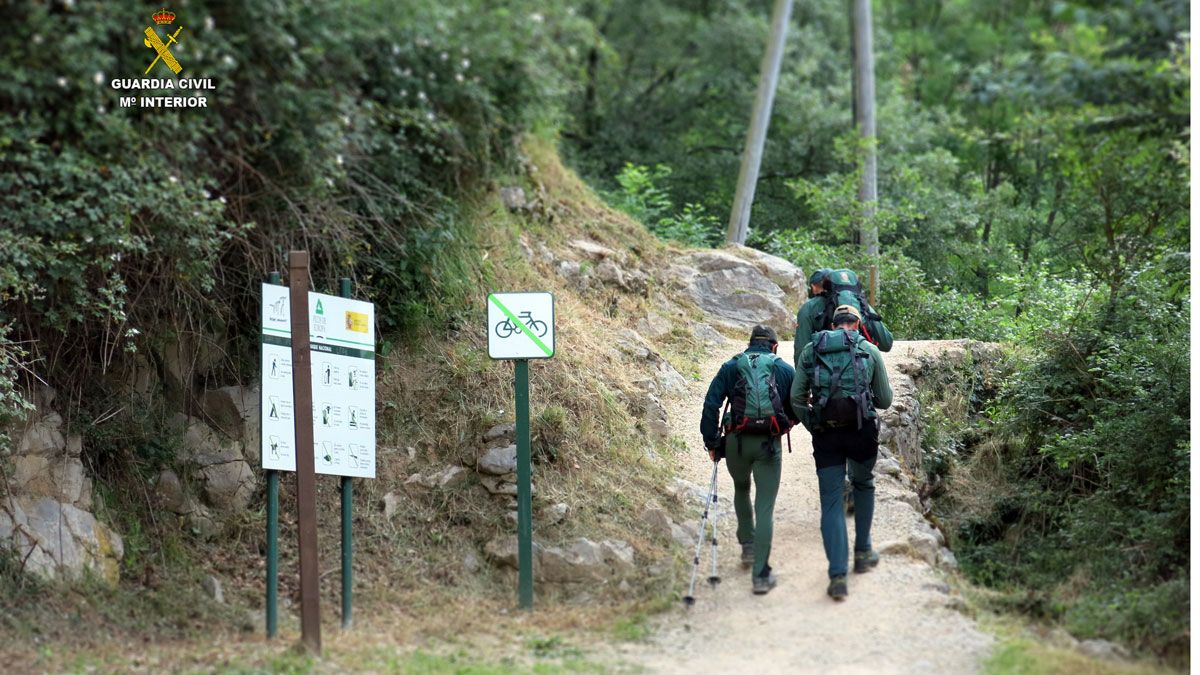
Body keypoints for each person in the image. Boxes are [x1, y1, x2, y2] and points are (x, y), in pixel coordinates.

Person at [789, 305, 893, 601]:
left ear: (833, 325)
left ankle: (837, 576)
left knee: (832, 502)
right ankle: (863, 553)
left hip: (827, 435)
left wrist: (815, 424)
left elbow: (796, 398)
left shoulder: (811, 350)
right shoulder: (869, 351)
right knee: (863, 484)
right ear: (858, 325)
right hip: (862, 431)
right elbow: (884, 400)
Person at [700, 325, 797, 595]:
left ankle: (747, 545)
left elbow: (711, 404)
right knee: (764, 506)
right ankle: (761, 576)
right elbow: (799, 402)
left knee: (741, 489)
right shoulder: (783, 368)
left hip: (736, 442)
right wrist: (787, 424)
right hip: (768, 444)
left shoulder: (732, 366)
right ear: (774, 346)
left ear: (750, 344)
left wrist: (712, 442)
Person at [794, 268, 893, 364]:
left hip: (824, 374)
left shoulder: (808, 308)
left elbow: (801, 351)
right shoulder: (862, 307)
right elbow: (886, 344)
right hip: (861, 371)